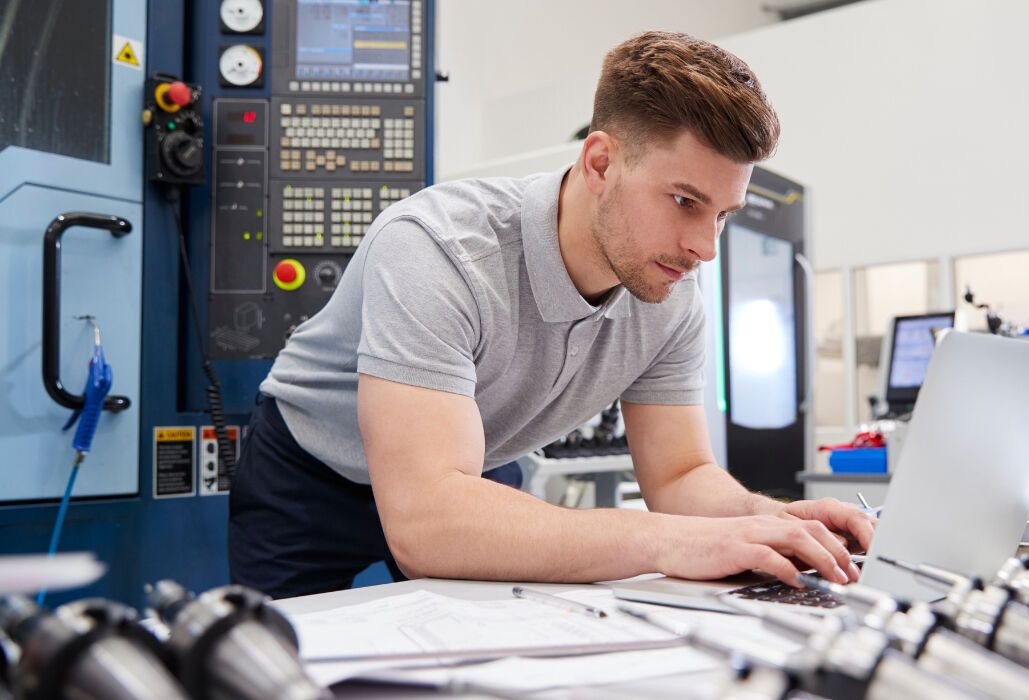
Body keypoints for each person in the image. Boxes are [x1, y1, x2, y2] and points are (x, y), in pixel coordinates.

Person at [229, 30, 876, 599]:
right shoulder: (439, 248)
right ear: (600, 163)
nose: (704, 248)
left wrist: (771, 522)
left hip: (470, 468)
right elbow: (427, 521)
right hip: (310, 473)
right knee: (271, 662)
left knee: (484, 661)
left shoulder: (673, 294)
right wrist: (664, 541)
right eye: (684, 201)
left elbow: (680, 476)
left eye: (723, 217)